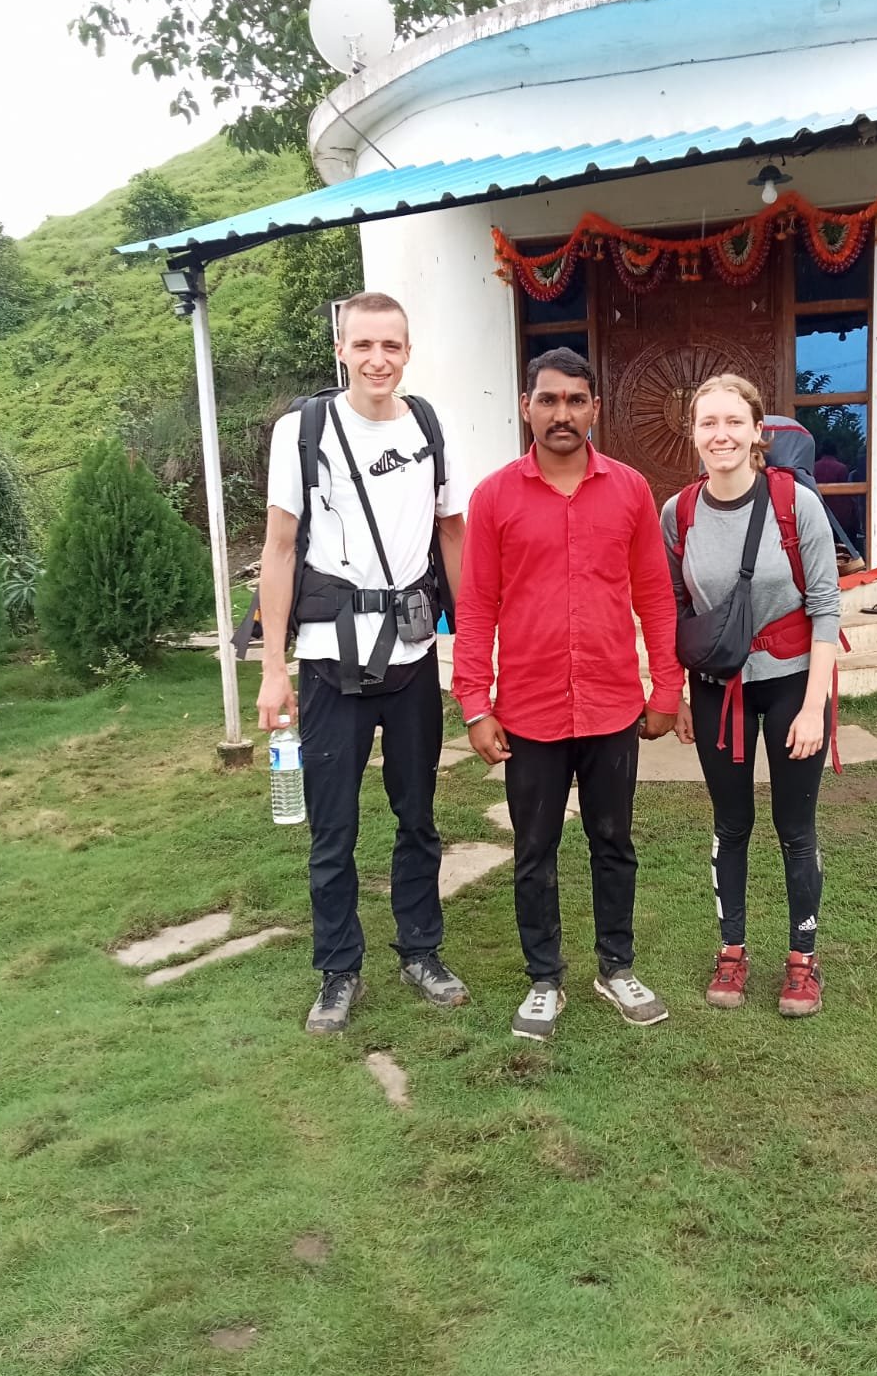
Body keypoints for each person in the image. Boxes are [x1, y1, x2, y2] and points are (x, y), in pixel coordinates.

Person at [453, 347, 683, 1041]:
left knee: (613, 841)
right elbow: (476, 605)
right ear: (526, 406)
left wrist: (666, 687)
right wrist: (475, 702)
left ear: (595, 410)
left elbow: (655, 594)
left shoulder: (630, 490)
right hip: (530, 710)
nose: (562, 414)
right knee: (535, 850)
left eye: (575, 400)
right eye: (548, 399)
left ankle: (617, 967)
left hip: (612, 703)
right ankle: (543, 979)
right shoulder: (494, 497)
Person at [256, 291, 470, 1034]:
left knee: (419, 816)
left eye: (392, 346)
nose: (379, 359)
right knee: (333, 828)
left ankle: (422, 951)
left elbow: (452, 534)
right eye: (364, 345)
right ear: (341, 349)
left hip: (412, 660)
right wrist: (273, 667)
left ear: (408, 352)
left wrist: (471, 643)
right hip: (328, 664)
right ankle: (338, 970)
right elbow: (280, 548)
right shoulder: (302, 431)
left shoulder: (431, 427)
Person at [663, 375, 841, 1018]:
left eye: (734, 422)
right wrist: (677, 695)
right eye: (708, 423)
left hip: (794, 682)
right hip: (719, 689)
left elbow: (826, 607)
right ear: (693, 434)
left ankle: (802, 960)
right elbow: (672, 608)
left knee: (795, 828)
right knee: (731, 823)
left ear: (758, 431)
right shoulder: (677, 513)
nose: (722, 435)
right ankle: (732, 952)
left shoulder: (797, 504)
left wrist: (815, 706)